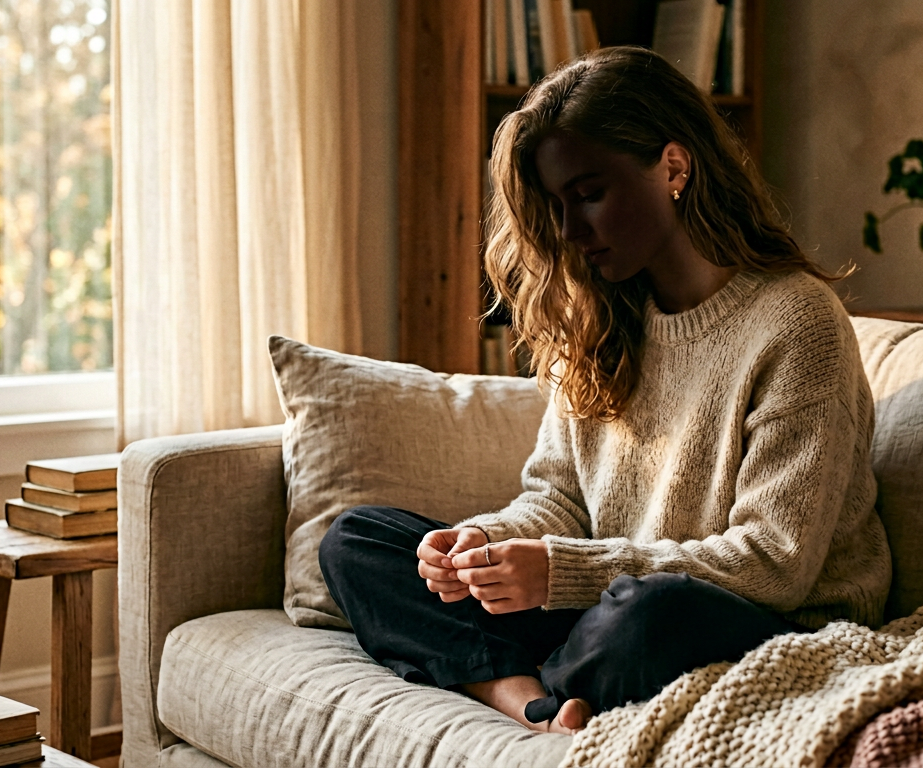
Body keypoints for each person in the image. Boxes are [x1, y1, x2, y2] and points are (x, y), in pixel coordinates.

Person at [319, 46, 892, 735]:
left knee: (647, 618)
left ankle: (511, 676)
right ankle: (527, 693)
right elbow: (556, 499)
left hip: (758, 620)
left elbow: (774, 563)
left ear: (673, 167)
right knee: (357, 540)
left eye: (589, 194)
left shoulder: (797, 322)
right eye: (558, 205)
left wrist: (559, 573)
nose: (569, 231)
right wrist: (485, 546)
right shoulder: (600, 317)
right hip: (604, 603)